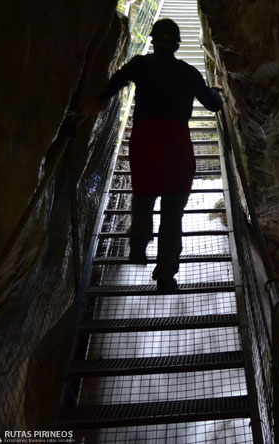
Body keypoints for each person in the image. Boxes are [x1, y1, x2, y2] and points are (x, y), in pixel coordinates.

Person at [81, 18, 223, 292]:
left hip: (145, 140)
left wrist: (98, 101)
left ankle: (137, 247)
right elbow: (212, 105)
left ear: (153, 41)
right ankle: (166, 276)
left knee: (144, 195)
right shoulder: (189, 73)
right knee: (172, 214)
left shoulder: (140, 64)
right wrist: (217, 93)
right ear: (177, 44)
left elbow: (116, 82)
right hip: (176, 144)